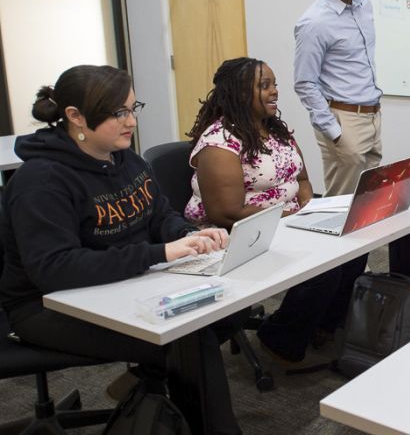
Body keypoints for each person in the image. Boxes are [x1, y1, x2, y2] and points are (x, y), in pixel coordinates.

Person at [0, 65, 243, 433]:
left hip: (120, 282)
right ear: (75, 116)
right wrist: (158, 254)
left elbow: (158, 213)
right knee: (190, 338)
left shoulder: (123, 156)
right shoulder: (41, 182)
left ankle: (151, 383)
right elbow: (54, 269)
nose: (131, 121)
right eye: (118, 113)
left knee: (225, 310)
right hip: (46, 304)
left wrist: (189, 237)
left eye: (133, 108)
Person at [185, 57, 367, 363]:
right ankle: (280, 337)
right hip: (241, 232)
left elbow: (304, 179)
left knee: (355, 248)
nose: (274, 92)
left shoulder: (276, 131)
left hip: (290, 221)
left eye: (274, 85)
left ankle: (321, 326)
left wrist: (309, 211)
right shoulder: (220, 142)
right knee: (326, 267)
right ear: (239, 93)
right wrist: (292, 221)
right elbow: (225, 213)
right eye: (264, 86)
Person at [293, 0, 410, 282]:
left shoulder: (362, 6)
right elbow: (304, 83)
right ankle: (328, 294)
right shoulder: (315, 23)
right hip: (343, 121)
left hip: (371, 115)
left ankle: (352, 283)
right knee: (339, 215)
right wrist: (334, 131)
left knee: (367, 210)